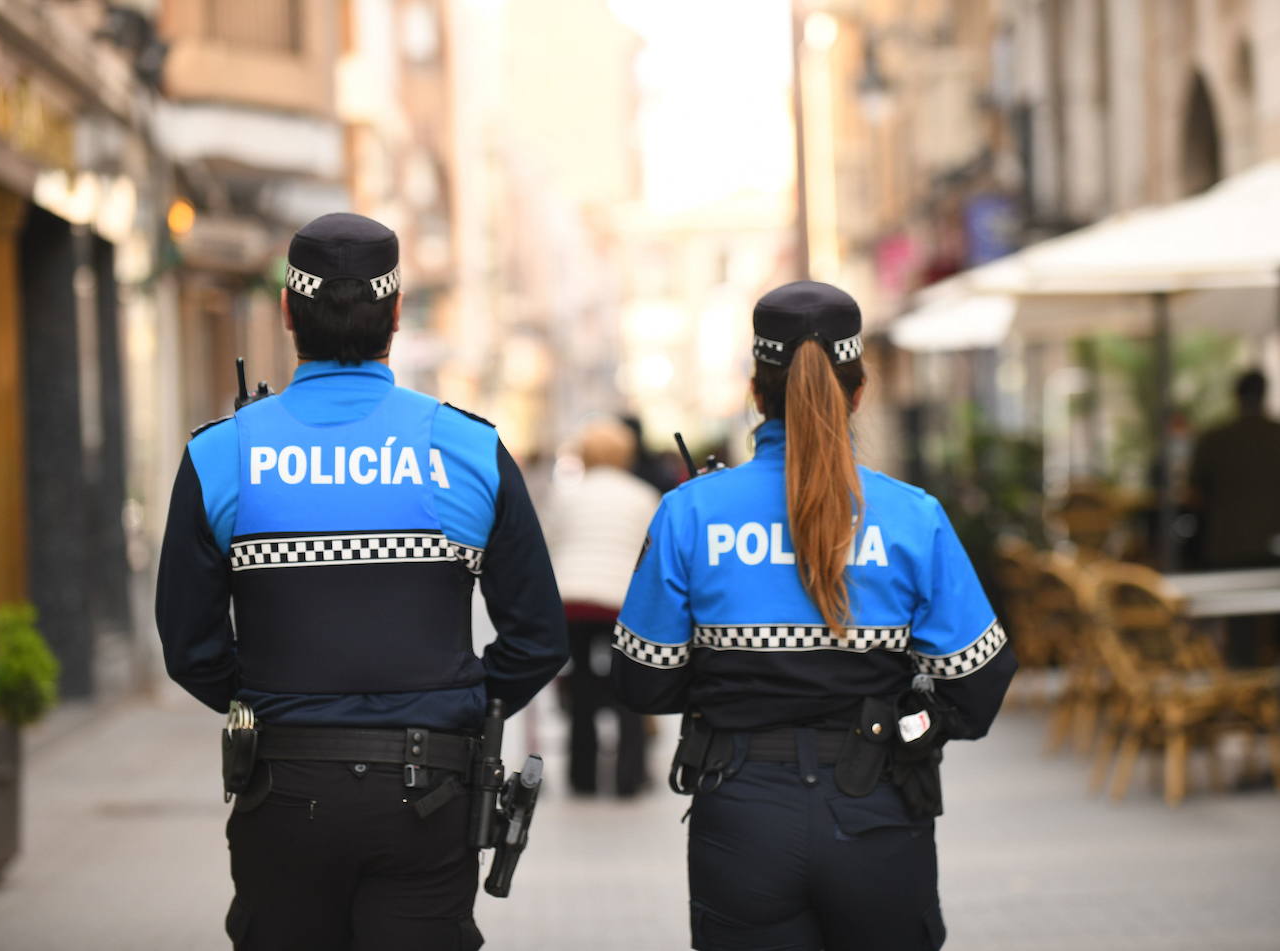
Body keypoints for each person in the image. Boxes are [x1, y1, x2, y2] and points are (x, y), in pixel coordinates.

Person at [155, 212, 567, 951]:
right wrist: (460, 701)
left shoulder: (224, 456)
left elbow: (189, 647)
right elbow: (538, 638)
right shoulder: (467, 449)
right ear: (397, 312)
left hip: (280, 790)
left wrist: (270, 700)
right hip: (429, 794)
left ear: (287, 312)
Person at [611, 281, 1017, 951]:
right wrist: (907, 711)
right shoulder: (914, 515)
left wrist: (726, 681)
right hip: (878, 809)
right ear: (858, 389)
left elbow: (643, 681)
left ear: (755, 389)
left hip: (739, 814)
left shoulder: (691, 511)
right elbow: (978, 684)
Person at [545, 417, 661, 795]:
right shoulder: (643, 494)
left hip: (571, 601)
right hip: (621, 602)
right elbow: (654, 553)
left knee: (580, 680)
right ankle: (630, 775)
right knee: (627, 681)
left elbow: (548, 544)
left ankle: (582, 775)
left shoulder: (566, 494)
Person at [1188, 370, 1280, 570]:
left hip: (1226, 544)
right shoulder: (1274, 436)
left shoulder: (1215, 439)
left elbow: (1195, 491)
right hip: (1270, 543)